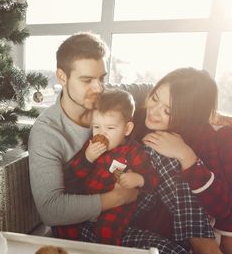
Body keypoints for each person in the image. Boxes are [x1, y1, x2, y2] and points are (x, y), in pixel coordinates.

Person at [28, 32, 232, 254]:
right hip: (89, 221)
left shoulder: (109, 98)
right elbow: (51, 211)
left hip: (133, 194)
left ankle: (202, 243)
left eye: (102, 78)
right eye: (86, 80)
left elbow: (155, 92)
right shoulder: (47, 133)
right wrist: (115, 197)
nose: (98, 89)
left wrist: (203, 113)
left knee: (160, 148)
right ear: (62, 77)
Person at [129, 67, 232, 254]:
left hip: (196, 212)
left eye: (167, 111)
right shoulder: (137, 113)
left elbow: (221, 206)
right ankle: (208, 250)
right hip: (153, 213)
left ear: (189, 116)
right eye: (154, 99)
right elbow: (121, 90)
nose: (153, 112)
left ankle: (231, 244)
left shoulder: (201, 134)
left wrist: (187, 156)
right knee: (158, 150)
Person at [53, 88, 159, 245]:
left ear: (127, 129)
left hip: (117, 205)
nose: (102, 133)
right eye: (96, 127)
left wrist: (139, 179)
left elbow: (153, 180)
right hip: (89, 198)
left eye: (110, 128)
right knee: (63, 221)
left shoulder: (133, 152)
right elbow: (75, 174)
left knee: (107, 229)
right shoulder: (91, 144)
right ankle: (71, 250)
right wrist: (88, 158)